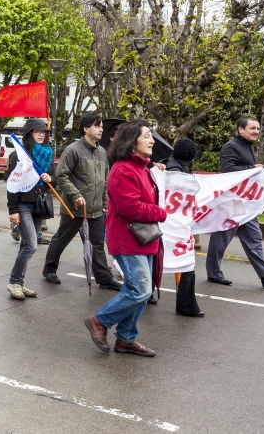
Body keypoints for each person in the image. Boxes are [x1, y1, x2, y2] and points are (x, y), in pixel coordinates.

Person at [84, 120, 167, 357]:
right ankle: (99, 321)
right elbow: (131, 207)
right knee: (140, 290)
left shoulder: (142, 168)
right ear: (132, 143)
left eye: (152, 136)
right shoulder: (124, 169)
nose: (152, 141)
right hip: (128, 239)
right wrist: (161, 213)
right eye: (147, 136)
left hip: (144, 239)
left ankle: (126, 338)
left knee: (139, 290)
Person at [206, 116, 264, 288]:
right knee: (220, 239)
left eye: (258, 129)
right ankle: (213, 273)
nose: (256, 131)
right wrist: (253, 169)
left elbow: (251, 174)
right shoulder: (231, 147)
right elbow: (228, 171)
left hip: (246, 204)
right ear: (240, 129)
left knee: (255, 238)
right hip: (231, 203)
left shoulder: (248, 147)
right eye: (252, 128)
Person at [43, 114, 121, 289]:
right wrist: (75, 195)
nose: (101, 129)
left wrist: (105, 203)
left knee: (97, 244)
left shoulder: (102, 152)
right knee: (62, 239)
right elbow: (61, 176)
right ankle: (49, 269)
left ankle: (104, 278)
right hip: (75, 208)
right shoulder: (73, 150)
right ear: (86, 129)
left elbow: (104, 180)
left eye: (101, 126)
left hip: (95, 209)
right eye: (97, 126)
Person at [5, 119, 56, 299]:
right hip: (22, 205)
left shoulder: (48, 153)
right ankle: (14, 282)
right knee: (32, 246)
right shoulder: (19, 155)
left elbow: (54, 179)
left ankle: (19, 282)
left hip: (38, 206)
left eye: (44, 132)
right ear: (29, 134)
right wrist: (13, 210)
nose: (41, 134)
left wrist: (50, 178)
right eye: (37, 131)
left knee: (25, 245)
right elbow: (11, 185)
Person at [159, 138, 204, 317]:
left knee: (157, 260)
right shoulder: (177, 172)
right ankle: (186, 305)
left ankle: (146, 295)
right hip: (174, 227)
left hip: (165, 224)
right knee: (186, 263)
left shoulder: (168, 166)